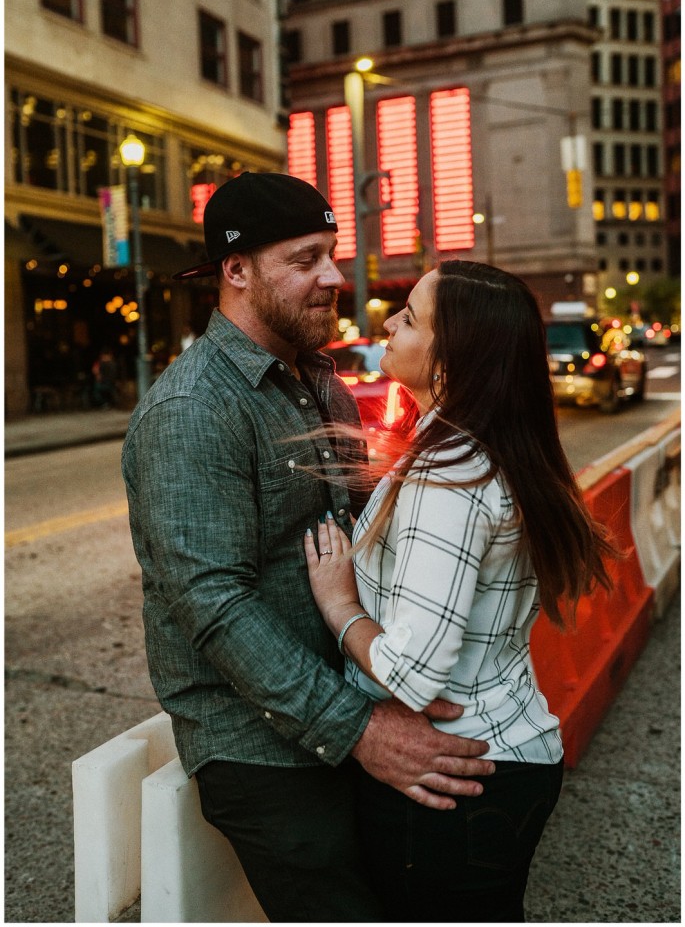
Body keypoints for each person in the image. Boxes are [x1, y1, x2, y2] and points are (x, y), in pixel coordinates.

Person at [122, 174, 494, 923]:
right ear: (236, 271)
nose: (332, 277)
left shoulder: (317, 383)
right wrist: (357, 729)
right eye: (304, 259)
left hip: (340, 694)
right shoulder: (193, 409)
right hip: (255, 741)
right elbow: (213, 603)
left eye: (331, 253)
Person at [304, 260, 617, 923]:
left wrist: (338, 605)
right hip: (500, 758)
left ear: (451, 362)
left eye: (410, 318)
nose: (388, 322)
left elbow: (413, 674)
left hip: (457, 778)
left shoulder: (449, 475)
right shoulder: (484, 449)